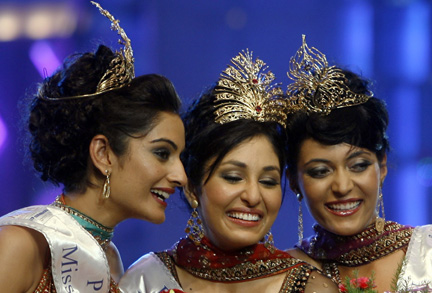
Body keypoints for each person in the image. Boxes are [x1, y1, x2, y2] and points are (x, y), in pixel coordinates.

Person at [0, 2, 187, 292]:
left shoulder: (110, 259)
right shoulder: (22, 243)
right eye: (162, 153)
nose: (180, 176)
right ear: (103, 154)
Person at [120, 50, 338, 293]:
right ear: (192, 187)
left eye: (268, 181)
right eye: (233, 177)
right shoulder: (146, 279)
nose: (253, 197)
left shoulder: (309, 287)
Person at [285, 35, 432, 292]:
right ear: (294, 179)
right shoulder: (284, 276)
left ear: (381, 166)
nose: (341, 186)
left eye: (358, 165)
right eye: (320, 171)